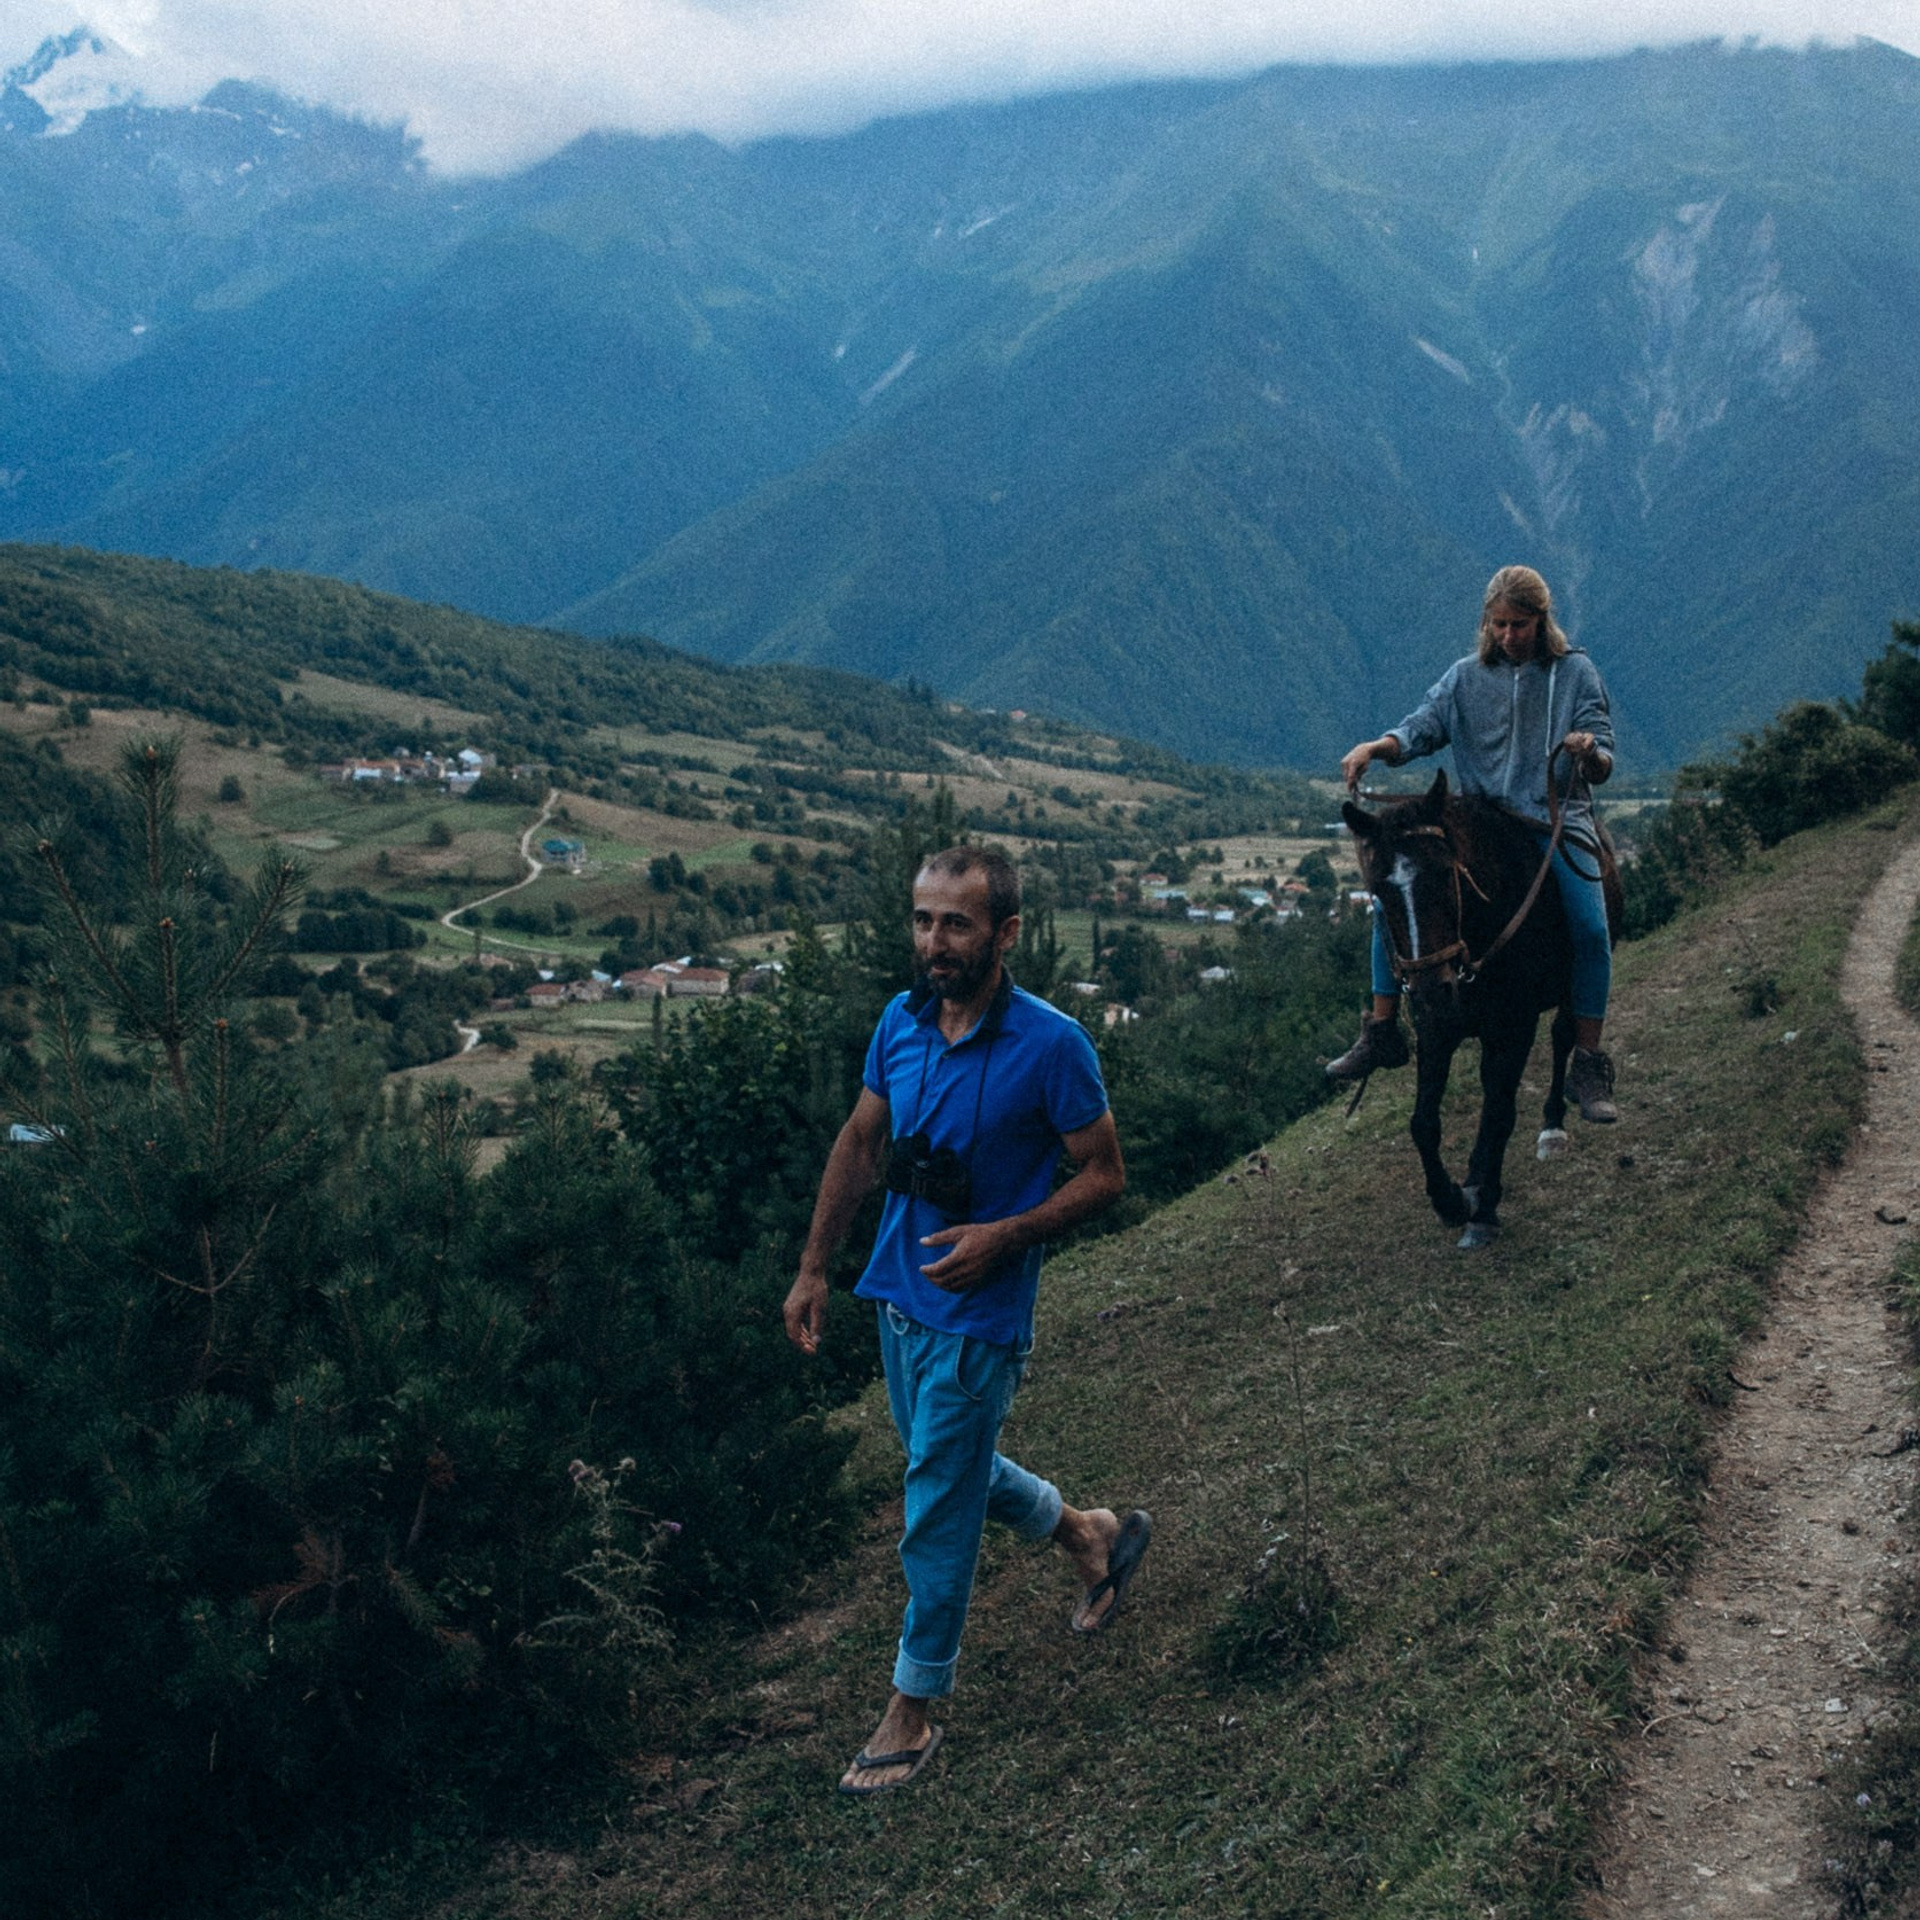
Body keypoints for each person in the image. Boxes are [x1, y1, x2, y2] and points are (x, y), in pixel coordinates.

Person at [783, 844, 1150, 1795]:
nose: (934, 941)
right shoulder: (898, 1026)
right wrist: (815, 1266)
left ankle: (912, 1708)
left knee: (936, 1500)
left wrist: (1007, 1237)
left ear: (1005, 933)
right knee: (948, 1463)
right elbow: (862, 1143)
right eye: (922, 920)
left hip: (982, 1314)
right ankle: (1089, 1535)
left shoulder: (1054, 1044)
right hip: (897, 1301)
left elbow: (1105, 1175)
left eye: (956, 922)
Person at [1328, 564, 1620, 1123]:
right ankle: (1383, 1027)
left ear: (1542, 621)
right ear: (1486, 622)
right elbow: (1421, 728)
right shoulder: (1464, 677)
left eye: (1519, 625)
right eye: (1498, 624)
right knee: (1394, 904)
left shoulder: (1576, 673)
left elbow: (1603, 759)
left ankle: (1587, 1058)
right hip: (1481, 821)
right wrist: (1375, 746)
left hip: (1555, 818)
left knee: (1589, 923)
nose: (1508, 636)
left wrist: (1588, 753)